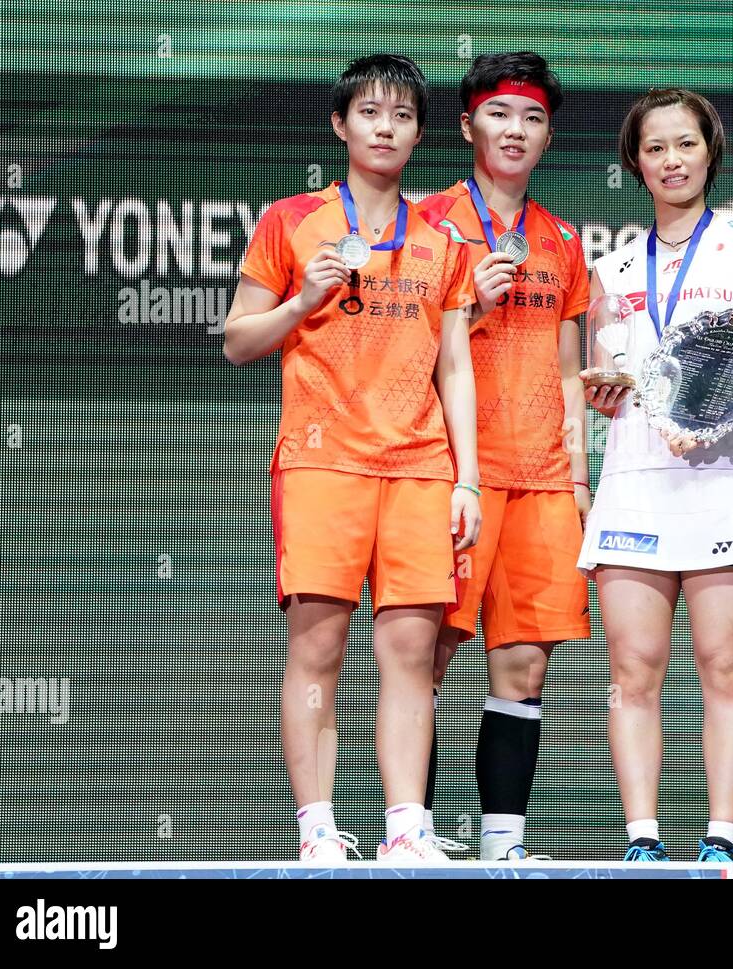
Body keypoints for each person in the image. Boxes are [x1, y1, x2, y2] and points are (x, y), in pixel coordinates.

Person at [224, 54, 481, 863]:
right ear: (341, 125)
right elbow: (237, 341)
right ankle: (317, 830)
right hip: (321, 462)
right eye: (370, 113)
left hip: (419, 467)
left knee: (411, 655)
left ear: (419, 135)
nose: (385, 128)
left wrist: (468, 478)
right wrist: (303, 300)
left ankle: (408, 827)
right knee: (318, 651)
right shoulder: (291, 221)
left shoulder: (442, 238)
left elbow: (455, 366)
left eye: (402, 116)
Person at [581, 88, 733, 863]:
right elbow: (602, 367)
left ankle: (720, 841)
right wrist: (602, 387)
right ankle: (642, 841)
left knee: (724, 663)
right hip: (634, 480)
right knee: (633, 671)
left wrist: (718, 401)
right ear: (635, 163)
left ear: (711, 152)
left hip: (719, 477)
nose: (671, 160)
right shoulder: (609, 268)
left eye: (685, 144)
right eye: (655, 148)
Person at [416, 52, 591, 862]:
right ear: (467, 126)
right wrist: (470, 307)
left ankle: (502, 847)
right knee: (425, 656)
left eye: (532, 118)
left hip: (544, 479)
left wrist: (578, 474)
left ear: (547, 135)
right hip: (450, 473)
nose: (515, 130)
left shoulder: (562, 239)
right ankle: (411, 835)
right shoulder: (428, 224)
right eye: (499, 114)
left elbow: (567, 366)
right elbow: (398, 350)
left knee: (522, 667)